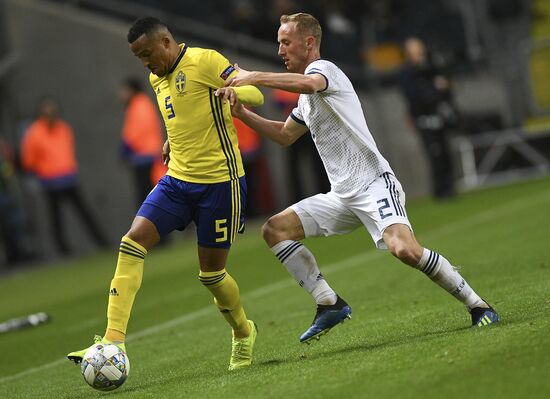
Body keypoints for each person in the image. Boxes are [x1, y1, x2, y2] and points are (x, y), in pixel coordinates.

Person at [222, 13, 499, 343]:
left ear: (309, 43)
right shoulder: (306, 98)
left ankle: (479, 307)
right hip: (341, 195)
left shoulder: (323, 71)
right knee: (275, 229)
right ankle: (329, 303)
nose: (279, 49)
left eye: (285, 42)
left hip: (372, 183)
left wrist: (252, 76)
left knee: (405, 250)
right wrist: (243, 114)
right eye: (278, 42)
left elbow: (309, 83)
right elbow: (284, 135)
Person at [67, 17, 263, 371]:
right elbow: (185, 114)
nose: (145, 63)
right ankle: (112, 342)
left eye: (147, 53)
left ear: (167, 41)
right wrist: (173, 139)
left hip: (221, 183)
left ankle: (243, 332)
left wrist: (236, 92)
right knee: (132, 242)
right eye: (138, 57)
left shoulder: (206, 61)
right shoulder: (156, 78)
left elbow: (257, 92)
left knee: (212, 276)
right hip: (177, 181)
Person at [20, 97, 109, 256]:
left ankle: (101, 241)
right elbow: (29, 161)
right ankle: (63, 250)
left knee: (84, 212)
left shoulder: (63, 128)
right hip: (50, 180)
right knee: (56, 218)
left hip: (68, 177)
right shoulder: (34, 133)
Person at [398, 37, 457, 199]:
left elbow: (447, 88)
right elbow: (414, 95)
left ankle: (449, 186)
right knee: (434, 153)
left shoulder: (432, 67)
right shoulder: (407, 73)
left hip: (438, 116)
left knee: (445, 151)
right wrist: (435, 88)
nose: (419, 54)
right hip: (423, 118)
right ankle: (440, 189)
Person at [119, 77, 165, 207]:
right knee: (150, 194)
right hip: (145, 156)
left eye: (124, 90)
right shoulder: (141, 104)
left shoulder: (139, 105)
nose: (121, 94)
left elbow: (135, 131)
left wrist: (125, 148)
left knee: (147, 196)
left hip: (145, 156)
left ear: (131, 90)